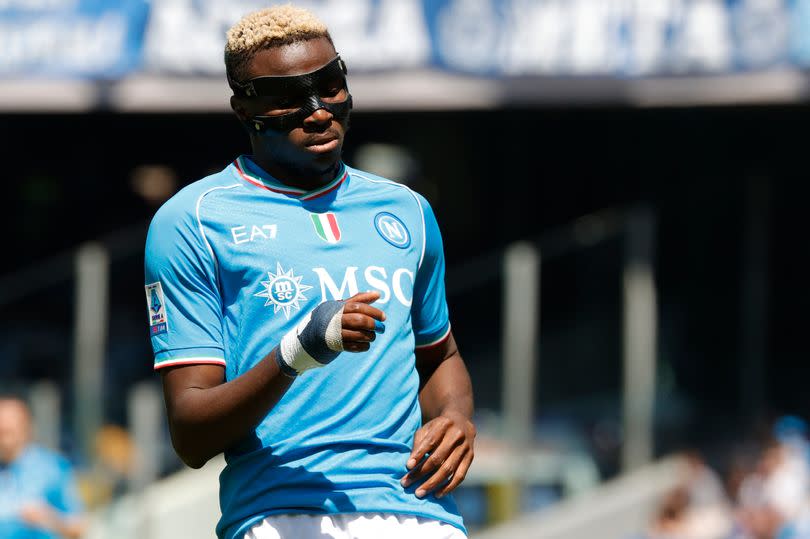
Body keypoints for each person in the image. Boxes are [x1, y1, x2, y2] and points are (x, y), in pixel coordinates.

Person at [143, 4, 475, 539]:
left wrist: (456, 417)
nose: (319, 111)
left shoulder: (408, 211)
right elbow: (191, 434)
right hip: (280, 514)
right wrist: (299, 350)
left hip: (420, 510)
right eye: (288, 99)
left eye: (330, 86)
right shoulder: (192, 222)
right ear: (243, 110)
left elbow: (440, 357)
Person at [0, 395, 87, 539]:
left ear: (26, 429)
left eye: (8, 432)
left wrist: (48, 518)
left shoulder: (52, 468)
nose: (4, 440)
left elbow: (79, 528)